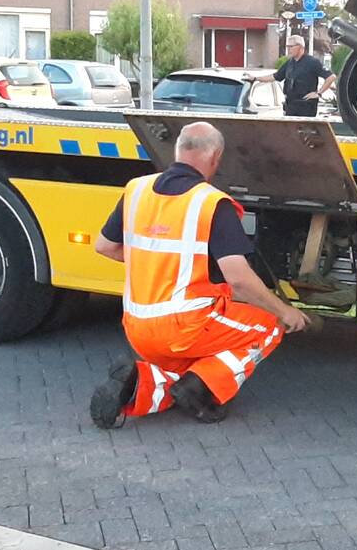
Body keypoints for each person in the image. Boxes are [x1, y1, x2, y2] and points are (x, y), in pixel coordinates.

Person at [90, 122, 309, 429]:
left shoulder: (137, 190)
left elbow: (104, 246)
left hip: (137, 328)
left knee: (184, 368)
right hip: (184, 328)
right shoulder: (209, 203)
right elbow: (239, 279)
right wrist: (285, 311)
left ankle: (138, 386)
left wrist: (156, 263)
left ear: (178, 150)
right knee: (268, 325)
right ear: (215, 157)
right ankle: (201, 391)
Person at [246, 35, 336, 117]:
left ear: (300, 47)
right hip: (291, 105)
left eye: (291, 46)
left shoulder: (312, 62)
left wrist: (318, 93)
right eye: (287, 46)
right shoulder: (289, 63)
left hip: (306, 106)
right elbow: (275, 76)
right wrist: (256, 78)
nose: (288, 49)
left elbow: (331, 77)